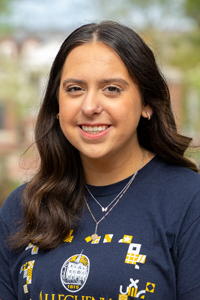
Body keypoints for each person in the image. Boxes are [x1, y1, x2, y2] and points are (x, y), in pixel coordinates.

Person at [0, 21, 200, 300]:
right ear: (56, 105)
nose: (90, 107)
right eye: (74, 89)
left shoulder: (189, 200)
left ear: (147, 103)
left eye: (112, 89)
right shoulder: (21, 208)